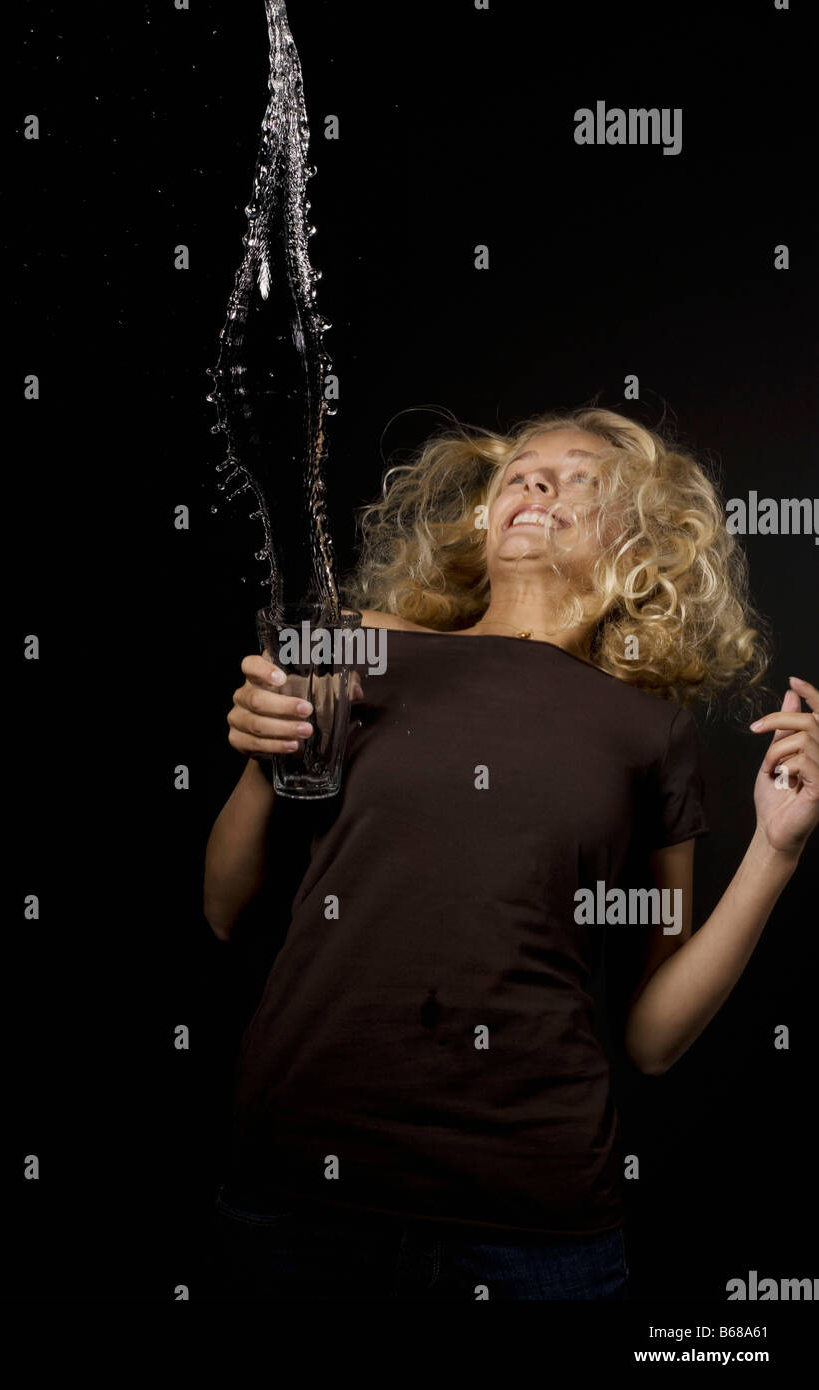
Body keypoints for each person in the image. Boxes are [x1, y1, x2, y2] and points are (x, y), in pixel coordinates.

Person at [202, 407, 818, 1300]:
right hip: (300, 1194)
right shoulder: (353, 642)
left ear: (639, 534)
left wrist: (776, 850)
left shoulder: (650, 732)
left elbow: (650, 1038)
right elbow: (226, 911)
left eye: (580, 477)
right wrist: (266, 758)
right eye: (522, 472)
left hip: (532, 1228)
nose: (537, 484)